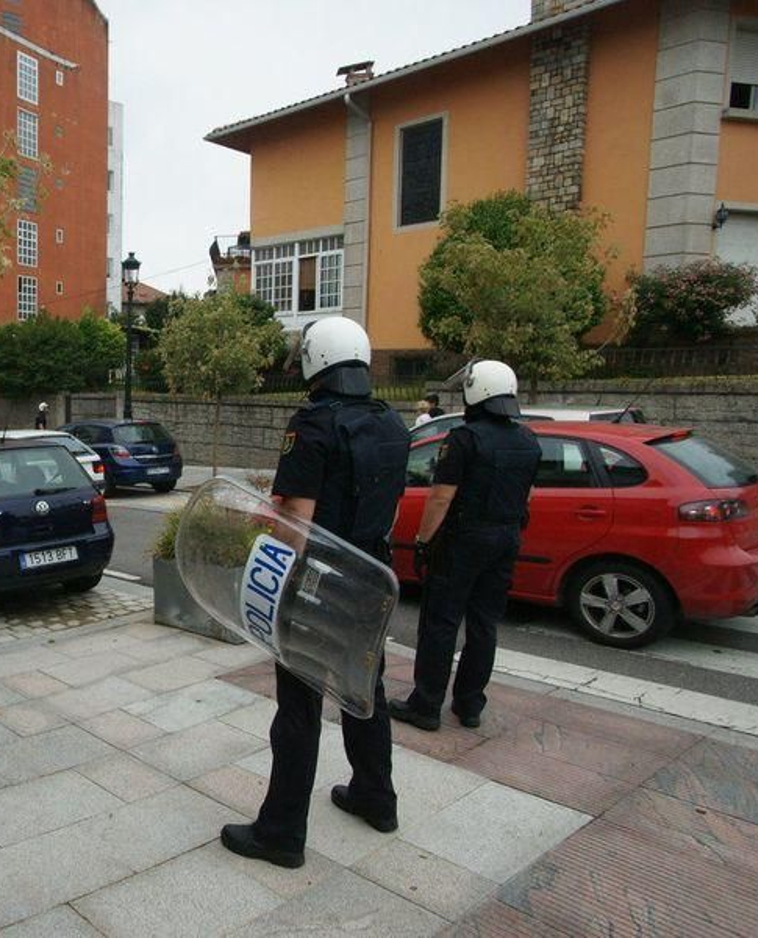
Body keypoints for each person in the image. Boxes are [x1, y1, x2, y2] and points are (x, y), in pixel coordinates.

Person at [220, 317, 409, 870]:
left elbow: (298, 521)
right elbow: (388, 507)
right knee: (363, 690)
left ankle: (280, 834)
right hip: (370, 577)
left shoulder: (313, 423)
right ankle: (377, 798)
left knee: (298, 709)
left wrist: (270, 546)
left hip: (318, 582)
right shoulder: (392, 423)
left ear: (315, 360)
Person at [389, 360, 540, 732]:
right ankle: (469, 705)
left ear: (477, 393)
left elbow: (440, 497)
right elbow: (528, 495)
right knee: (484, 624)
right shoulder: (528, 439)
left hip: (463, 540)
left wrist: (423, 541)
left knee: (441, 622)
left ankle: (426, 705)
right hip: (505, 538)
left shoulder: (464, 439)